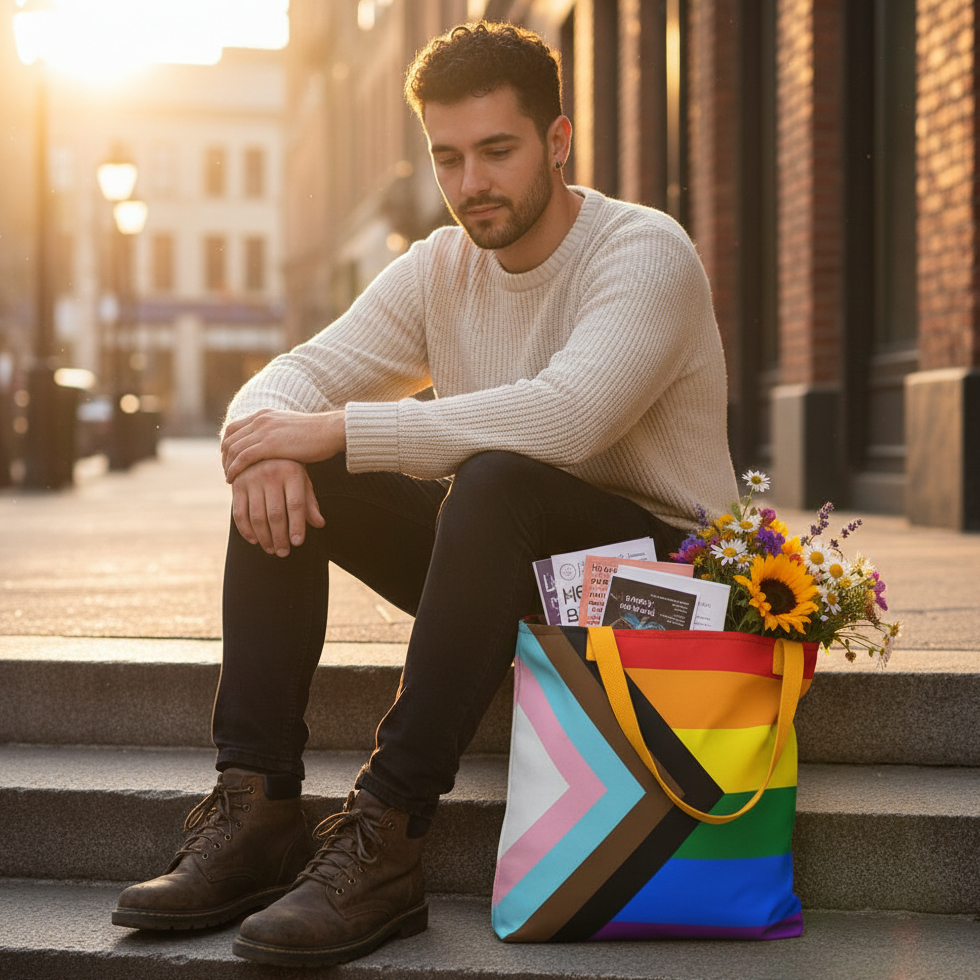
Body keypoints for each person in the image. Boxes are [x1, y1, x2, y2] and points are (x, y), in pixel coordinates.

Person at [111, 21, 738, 968]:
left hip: (659, 591)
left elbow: (565, 421)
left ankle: (390, 831)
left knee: (487, 477)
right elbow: (289, 380)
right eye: (448, 158)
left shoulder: (644, 253)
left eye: (497, 151)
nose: (472, 183)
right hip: (512, 566)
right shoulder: (441, 267)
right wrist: (280, 446)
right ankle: (258, 808)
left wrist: (338, 428)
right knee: (305, 463)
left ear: (558, 141)